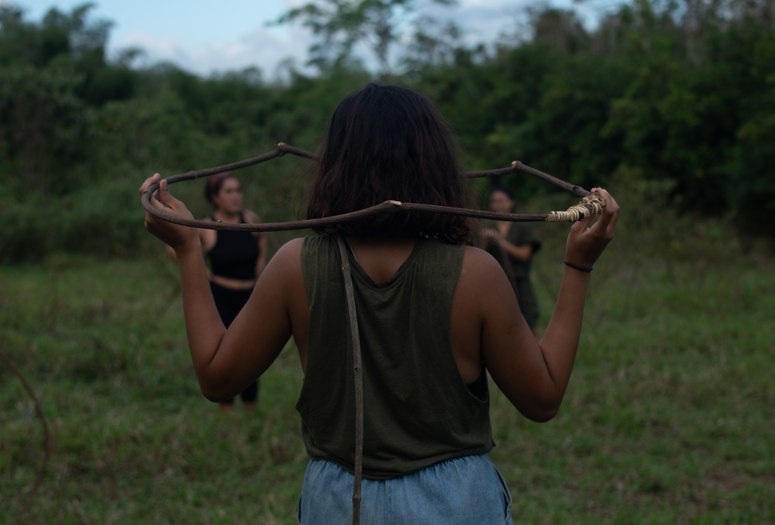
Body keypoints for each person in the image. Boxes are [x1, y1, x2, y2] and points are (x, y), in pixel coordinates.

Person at [140, 83, 619, 524]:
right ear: (434, 163)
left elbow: (216, 377)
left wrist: (187, 252)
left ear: (334, 165)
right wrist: (578, 266)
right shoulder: (476, 273)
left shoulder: (294, 265)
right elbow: (543, 399)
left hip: (339, 502)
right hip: (456, 502)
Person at [165, 173, 267, 412]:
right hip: (221, 298)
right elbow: (174, 247)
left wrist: (261, 262)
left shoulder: (250, 219)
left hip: (251, 298)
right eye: (228, 191)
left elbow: (261, 238)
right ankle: (227, 415)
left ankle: (252, 412)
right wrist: (202, 273)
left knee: (252, 356)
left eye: (238, 190)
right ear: (215, 197)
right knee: (226, 358)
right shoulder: (207, 226)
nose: (235, 196)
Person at [481, 185, 542, 338]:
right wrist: (484, 241)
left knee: (529, 323)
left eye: (501, 201)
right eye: (494, 202)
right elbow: (480, 257)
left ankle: (538, 359)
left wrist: (501, 241)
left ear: (511, 202)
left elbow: (524, 255)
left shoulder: (522, 225)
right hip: (495, 286)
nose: (497, 205)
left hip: (520, 284)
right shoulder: (488, 225)